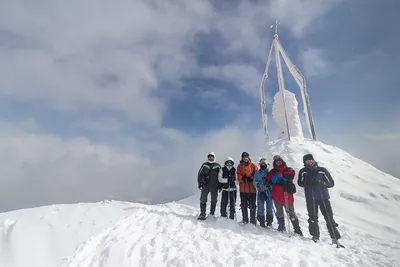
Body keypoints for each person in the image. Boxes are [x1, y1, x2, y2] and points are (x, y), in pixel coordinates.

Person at [298, 154, 342, 245]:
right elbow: (300, 182)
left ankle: (335, 238)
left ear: (313, 160)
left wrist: (322, 183)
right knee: (313, 217)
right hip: (311, 198)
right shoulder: (303, 171)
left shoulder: (322, 170)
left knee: (329, 218)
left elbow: (331, 183)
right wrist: (307, 183)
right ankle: (315, 236)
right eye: (307, 160)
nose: (309, 161)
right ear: (304, 162)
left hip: (323, 197)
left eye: (310, 159)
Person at [266, 155, 303, 235]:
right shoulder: (273, 171)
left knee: (291, 213)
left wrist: (279, 179)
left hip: (287, 195)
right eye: (276, 161)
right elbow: (269, 179)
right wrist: (278, 178)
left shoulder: (288, 169)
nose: (278, 161)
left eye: (279, 160)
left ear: (282, 161)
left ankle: (297, 229)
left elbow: (290, 176)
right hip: (277, 196)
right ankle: (281, 226)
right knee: (279, 212)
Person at [197, 152, 221, 220]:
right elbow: (200, 174)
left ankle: (212, 214)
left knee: (214, 200)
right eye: (209, 157)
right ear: (208, 158)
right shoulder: (204, 165)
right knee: (203, 199)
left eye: (212, 156)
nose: (211, 158)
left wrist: (220, 186)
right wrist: (200, 183)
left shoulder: (217, 166)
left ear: (214, 157)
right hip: (205, 185)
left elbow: (220, 176)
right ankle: (202, 213)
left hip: (214, 186)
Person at [237, 152, 258, 224]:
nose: (245, 158)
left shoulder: (253, 165)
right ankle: (245, 219)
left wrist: (251, 178)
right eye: (244, 157)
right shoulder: (239, 166)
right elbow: (238, 175)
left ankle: (253, 220)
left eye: (246, 157)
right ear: (242, 158)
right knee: (244, 205)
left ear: (248, 157)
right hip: (243, 189)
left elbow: (257, 174)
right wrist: (242, 178)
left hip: (252, 189)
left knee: (252, 205)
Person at [253, 158, 274, 227]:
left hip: (269, 192)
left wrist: (269, 186)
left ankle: (269, 221)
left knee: (269, 206)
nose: (263, 165)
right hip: (261, 191)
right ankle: (261, 221)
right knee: (260, 206)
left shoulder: (270, 172)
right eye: (261, 164)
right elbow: (254, 181)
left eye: (264, 163)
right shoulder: (257, 173)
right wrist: (258, 184)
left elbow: (272, 181)